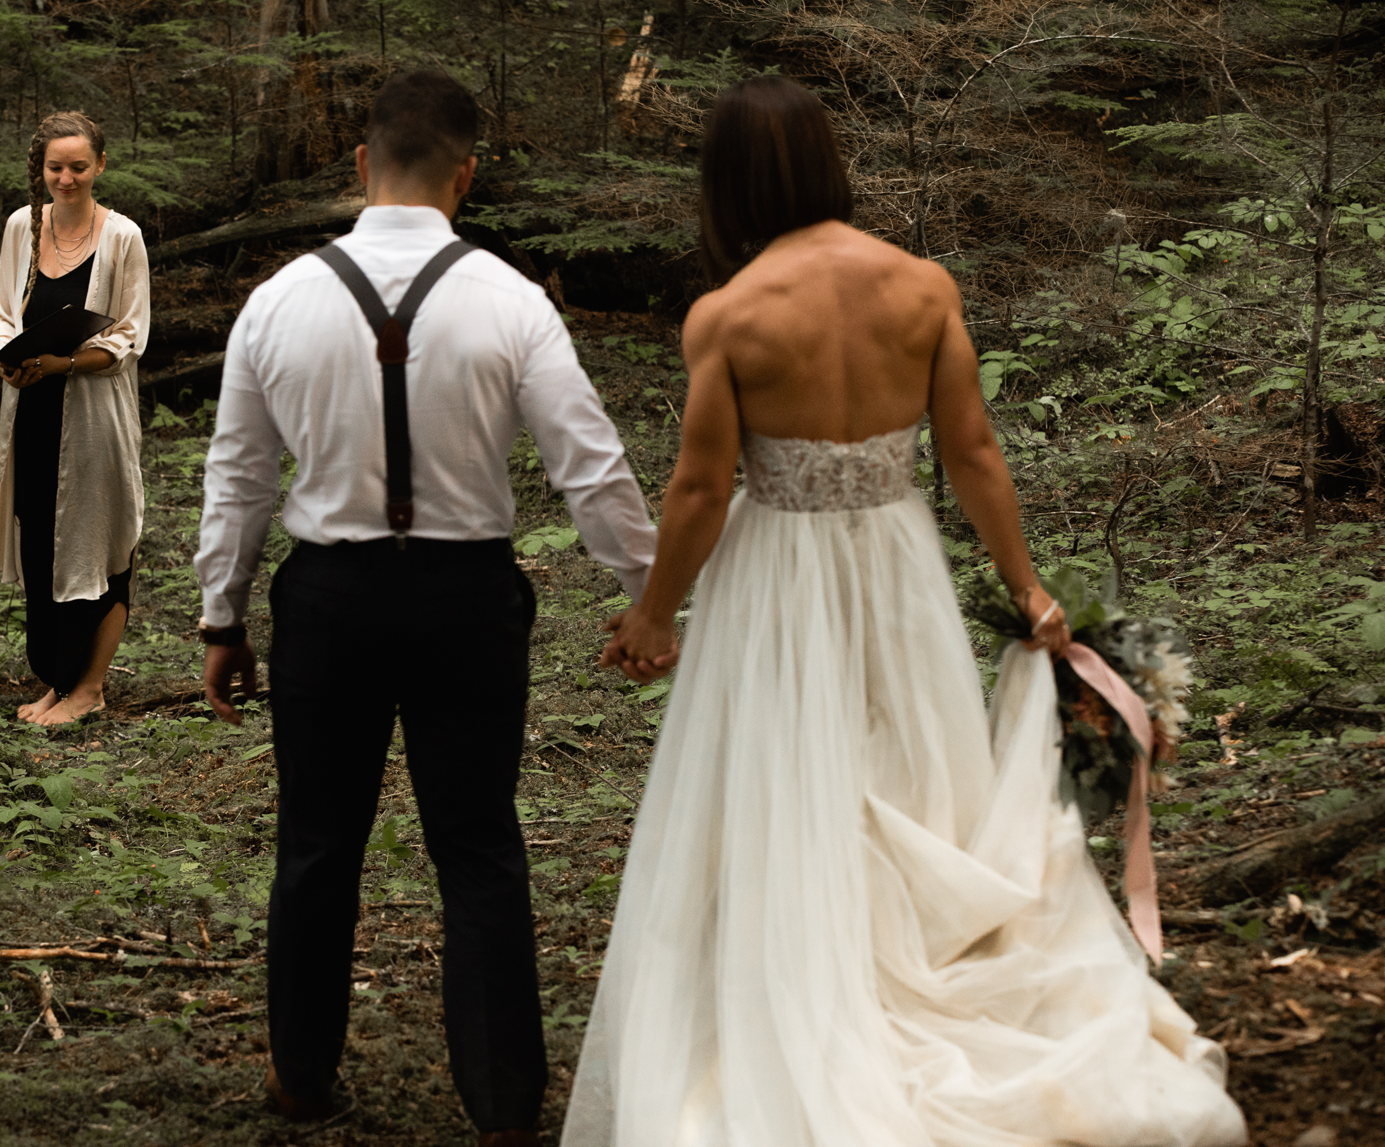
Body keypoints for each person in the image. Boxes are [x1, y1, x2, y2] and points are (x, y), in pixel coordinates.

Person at [567, 76, 1247, 1146]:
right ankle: (917, 960)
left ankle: (804, 972)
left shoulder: (730, 313)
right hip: (894, 557)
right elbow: (970, 450)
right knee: (908, 766)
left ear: (729, 185)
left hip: (776, 572)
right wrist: (1027, 587)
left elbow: (700, 490)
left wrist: (654, 614)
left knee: (787, 771)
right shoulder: (920, 287)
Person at [194, 70, 657, 1147]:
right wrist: (652, 596)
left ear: (361, 165)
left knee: (315, 844)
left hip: (328, 604)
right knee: (479, 847)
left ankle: (302, 1077)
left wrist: (223, 616)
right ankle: (500, 1106)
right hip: (464, 603)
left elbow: (238, 475)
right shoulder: (509, 300)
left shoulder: (278, 299)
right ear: (467, 173)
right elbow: (588, 470)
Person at [0, 110, 150, 726]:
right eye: (56, 167)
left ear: (100, 165)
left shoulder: (122, 237)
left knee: (99, 539)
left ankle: (90, 688)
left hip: (93, 417)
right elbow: (3, 310)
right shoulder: (22, 227)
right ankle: (58, 679)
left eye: (80, 166)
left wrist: (63, 363)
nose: (68, 178)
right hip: (31, 410)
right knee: (43, 537)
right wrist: (7, 358)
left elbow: (129, 333)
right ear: (41, 169)